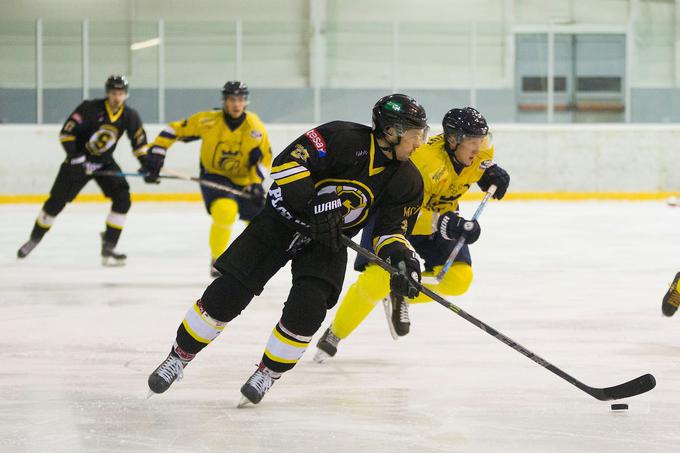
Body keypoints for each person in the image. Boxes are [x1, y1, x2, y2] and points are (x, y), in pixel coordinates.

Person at [147, 94, 429, 407]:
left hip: (328, 240)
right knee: (228, 292)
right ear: (391, 131)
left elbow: (391, 232)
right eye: (416, 135)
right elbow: (286, 163)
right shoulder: (342, 137)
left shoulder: (408, 180)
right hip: (282, 220)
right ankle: (179, 356)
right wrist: (314, 204)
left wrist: (403, 260)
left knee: (309, 309)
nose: (420, 143)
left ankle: (268, 373)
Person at [314, 107, 510, 362]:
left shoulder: (480, 150)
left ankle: (400, 293)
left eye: (482, 140)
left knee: (459, 279)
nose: (479, 147)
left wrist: (490, 173)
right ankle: (335, 333)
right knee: (377, 280)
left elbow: (482, 164)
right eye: (473, 142)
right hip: (394, 215)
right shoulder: (426, 164)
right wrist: (446, 223)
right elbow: (407, 214)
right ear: (453, 140)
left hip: (441, 216)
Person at [16, 75, 159, 266]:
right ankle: (34, 238)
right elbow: (67, 133)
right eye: (114, 93)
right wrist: (76, 156)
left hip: (104, 163)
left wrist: (148, 167)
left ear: (126, 94)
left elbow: (139, 145)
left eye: (121, 93)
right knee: (55, 203)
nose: (117, 97)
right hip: (77, 163)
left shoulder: (129, 115)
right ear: (108, 93)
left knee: (123, 197)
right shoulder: (89, 108)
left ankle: (109, 244)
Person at [148, 81, 272, 277]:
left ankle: (253, 261)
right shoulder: (209, 121)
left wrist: (256, 182)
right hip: (215, 176)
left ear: (246, 102)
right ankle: (218, 260)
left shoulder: (255, 128)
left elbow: (265, 158)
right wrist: (157, 152)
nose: (236, 104)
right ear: (224, 101)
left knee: (261, 220)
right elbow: (174, 130)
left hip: (244, 181)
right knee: (225, 210)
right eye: (232, 99)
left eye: (240, 100)